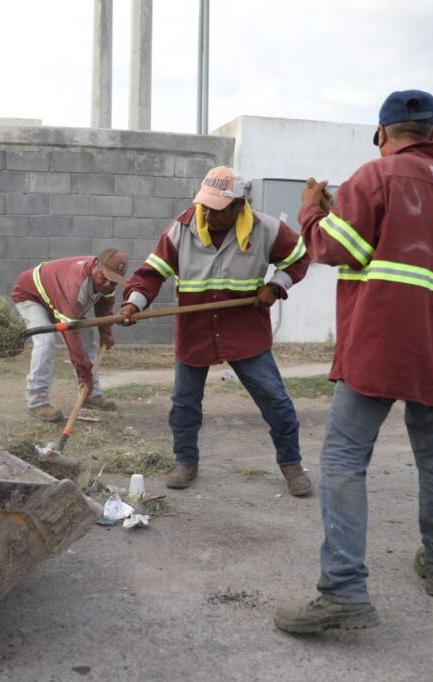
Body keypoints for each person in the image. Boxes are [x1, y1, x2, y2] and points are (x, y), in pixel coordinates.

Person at [273, 90, 433, 634]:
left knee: (345, 460)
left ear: (382, 134)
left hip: (377, 347)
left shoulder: (376, 177)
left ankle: (344, 591)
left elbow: (331, 248)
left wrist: (310, 207)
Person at [118, 166, 312, 496]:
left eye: (217, 209)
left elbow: (299, 258)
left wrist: (276, 287)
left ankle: (292, 464)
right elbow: (151, 274)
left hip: (244, 329)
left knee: (275, 400)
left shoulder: (267, 229)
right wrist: (133, 304)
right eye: (204, 206)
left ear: (240, 206)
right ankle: (185, 462)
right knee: (184, 403)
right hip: (196, 331)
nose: (207, 215)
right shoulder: (182, 228)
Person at [11, 248, 128, 423]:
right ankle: (37, 401)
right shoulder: (76, 285)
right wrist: (84, 374)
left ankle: (90, 395)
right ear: (96, 264)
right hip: (31, 295)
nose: (107, 285)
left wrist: (106, 332)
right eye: (104, 278)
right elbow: (70, 334)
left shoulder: (108, 282)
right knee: (46, 340)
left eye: (113, 282)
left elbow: (104, 307)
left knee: (88, 337)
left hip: (59, 299)